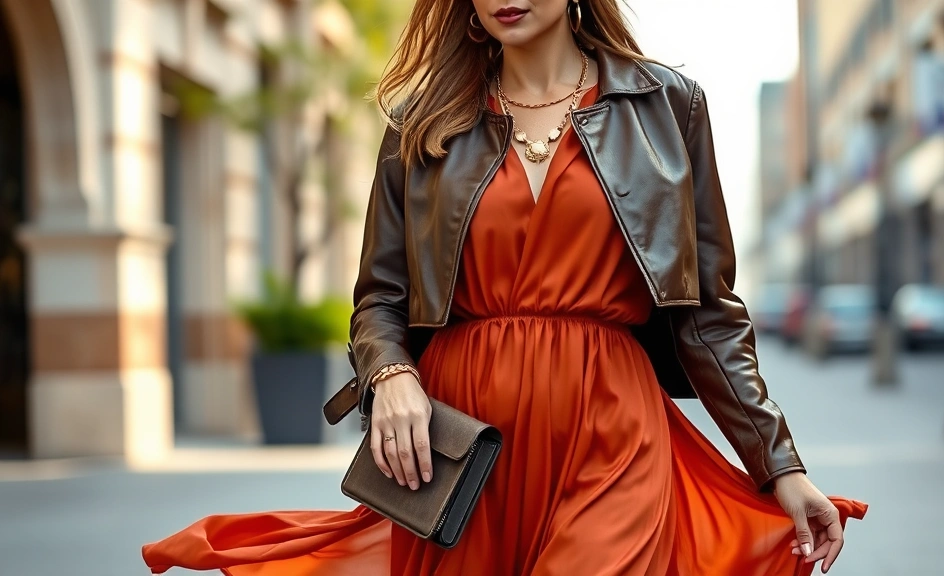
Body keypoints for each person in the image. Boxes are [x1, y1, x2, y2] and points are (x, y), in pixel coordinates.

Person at [142, 1, 867, 574]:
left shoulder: (666, 106)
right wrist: (390, 375)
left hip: (612, 432)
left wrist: (779, 464)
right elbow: (380, 298)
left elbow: (707, 312)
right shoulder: (420, 123)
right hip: (460, 451)